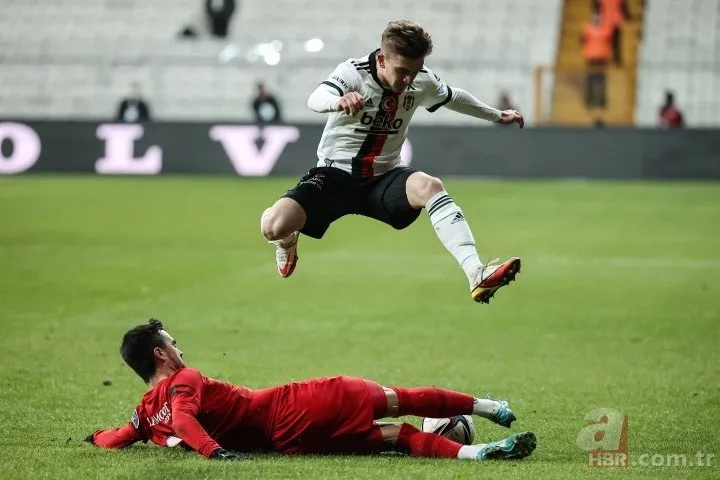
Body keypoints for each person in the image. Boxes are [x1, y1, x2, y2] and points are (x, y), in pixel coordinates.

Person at [260, 21, 524, 304]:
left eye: (414, 71)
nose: (408, 80)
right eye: (402, 72)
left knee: (430, 186)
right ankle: (287, 241)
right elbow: (316, 97)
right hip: (334, 175)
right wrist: (337, 101)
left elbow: (452, 96)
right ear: (382, 59)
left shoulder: (420, 79)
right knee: (273, 225)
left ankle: (476, 272)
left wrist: (497, 115)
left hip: (385, 177)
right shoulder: (353, 73)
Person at [86, 319, 537, 461]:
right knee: (403, 398)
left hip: (292, 443)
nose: (179, 348)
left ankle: (476, 454)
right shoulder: (184, 380)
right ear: (161, 356)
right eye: (172, 344)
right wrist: (213, 453)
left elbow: (119, 436)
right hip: (295, 402)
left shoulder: (146, 415)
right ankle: (490, 407)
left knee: (396, 437)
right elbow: (185, 417)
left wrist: (94, 438)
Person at [581, 14, 612, 108]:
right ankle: (600, 101)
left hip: (593, 56)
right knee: (599, 79)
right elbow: (610, 41)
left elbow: (582, 40)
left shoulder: (587, 29)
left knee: (593, 79)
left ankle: (591, 101)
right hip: (600, 56)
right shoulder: (606, 29)